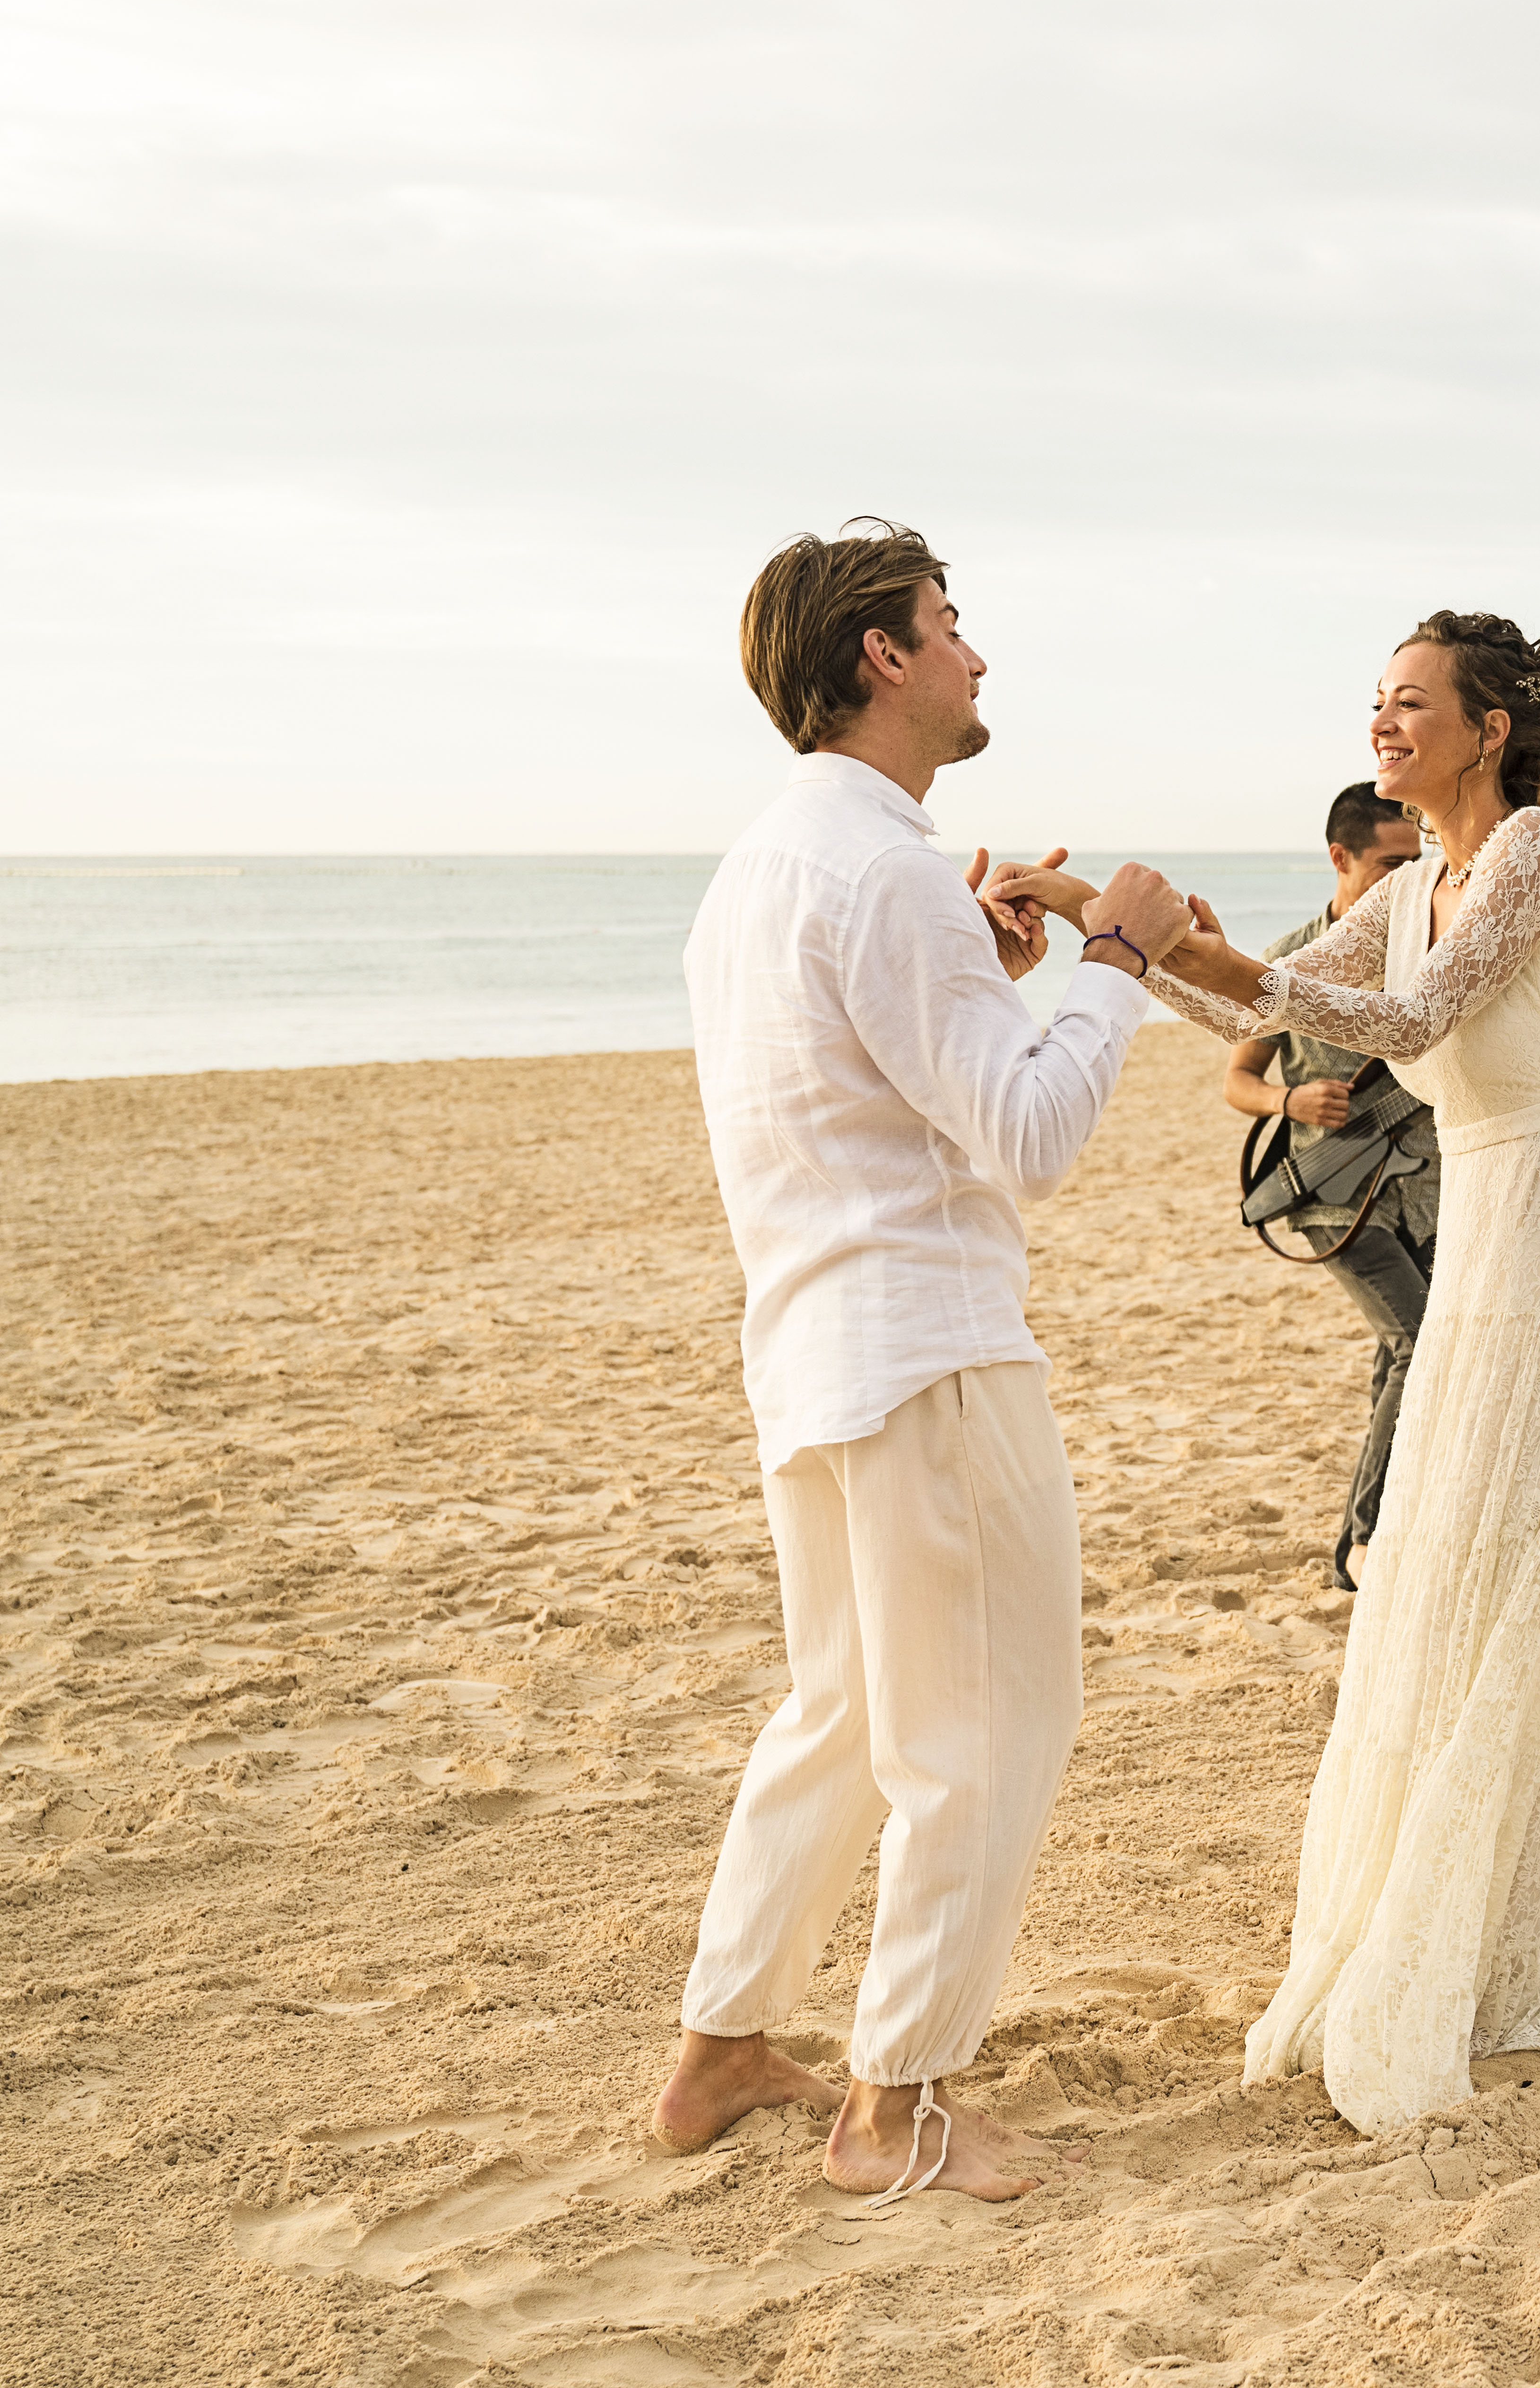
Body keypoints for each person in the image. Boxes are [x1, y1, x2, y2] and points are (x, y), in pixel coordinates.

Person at [996, 611, 1540, 2138]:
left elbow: (1408, 1019)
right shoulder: (1405, 882)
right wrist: (1110, 930)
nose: (1384, 727)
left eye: (1412, 705)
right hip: (1483, 1260)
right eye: (1375, 705)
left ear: (1489, 727)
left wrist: (1170, 938)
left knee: (1537, 1591)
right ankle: (1503, 1916)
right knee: (1457, 1586)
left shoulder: (1532, 848)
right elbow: (1249, 1001)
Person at [650, 521, 1184, 2204]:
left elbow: (876, 1094)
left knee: (845, 1710)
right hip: (930, 1354)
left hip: (811, 1349)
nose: (973, 654)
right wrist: (1119, 963)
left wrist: (996, 976)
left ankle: (724, 2042)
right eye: (949, 624)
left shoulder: (759, 871)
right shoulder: (883, 869)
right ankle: (897, 2106)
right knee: (990, 1722)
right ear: (879, 655)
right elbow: (1025, 1134)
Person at [1220, 782, 1439, 1588]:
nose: (1407, 883)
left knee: (1398, 1359)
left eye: (1418, 865)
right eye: (1391, 866)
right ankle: (1366, 1542)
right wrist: (1291, 1098)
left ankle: (1367, 1541)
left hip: (1425, 1188)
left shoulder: (1428, 959)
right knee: (1422, 1345)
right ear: (1341, 859)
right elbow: (1238, 1079)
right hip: (1331, 1198)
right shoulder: (1292, 965)